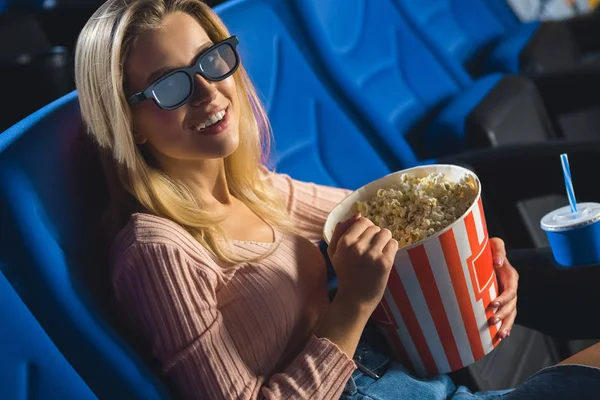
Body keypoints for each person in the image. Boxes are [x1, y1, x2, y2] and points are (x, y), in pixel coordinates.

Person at [73, 0, 600, 398]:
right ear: (129, 124)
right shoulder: (155, 250)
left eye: (211, 61)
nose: (210, 92)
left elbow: (396, 218)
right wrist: (351, 304)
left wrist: (484, 258)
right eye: (170, 86)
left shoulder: (256, 190)